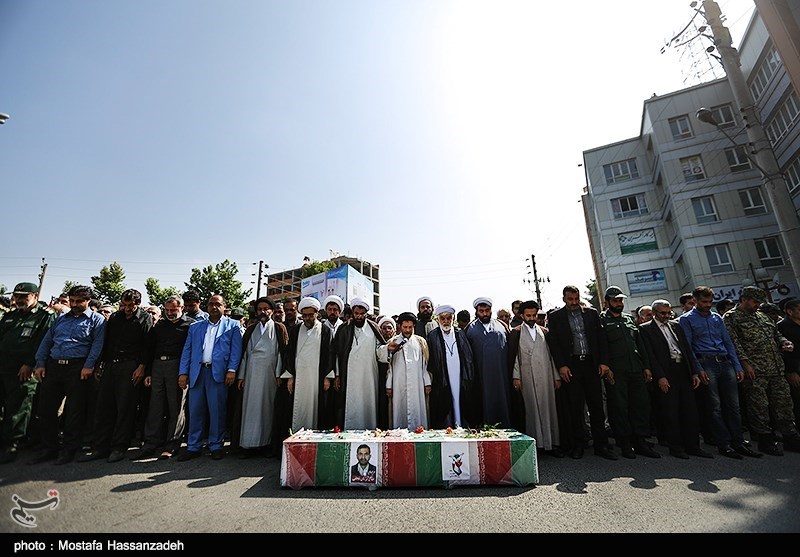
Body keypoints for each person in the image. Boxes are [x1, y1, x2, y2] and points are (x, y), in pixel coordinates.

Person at [679, 286, 760, 459]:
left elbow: (728, 342)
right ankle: (724, 444)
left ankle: (738, 442)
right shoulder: (686, 320)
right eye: (704, 302)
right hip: (706, 362)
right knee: (715, 407)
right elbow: (688, 347)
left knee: (734, 406)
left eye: (710, 301)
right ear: (695, 301)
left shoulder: (717, 317)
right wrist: (698, 369)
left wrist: (737, 366)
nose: (708, 305)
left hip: (725, 362)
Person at [30, 285, 106, 465]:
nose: (75, 304)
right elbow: (47, 341)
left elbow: (97, 345)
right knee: (46, 409)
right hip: (54, 366)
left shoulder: (97, 320)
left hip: (78, 368)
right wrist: (40, 363)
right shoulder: (61, 318)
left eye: (79, 301)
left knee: (74, 412)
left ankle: (70, 449)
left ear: (88, 300)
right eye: (72, 301)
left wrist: (88, 366)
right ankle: (49, 448)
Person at [79, 289, 153, 463]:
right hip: (111, 364)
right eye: (124, 305)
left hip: (130, 366)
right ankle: (100, 447)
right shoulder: (115, 317)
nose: (127, 309)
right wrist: (99, 365)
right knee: (104, 407)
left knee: (125, 408)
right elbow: (106, 343)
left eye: (130, 305)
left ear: (138, 304)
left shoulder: (145, 318)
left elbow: (148, 346)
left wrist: (142, 367)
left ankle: (119, 447)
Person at [723, 287, 800, 455]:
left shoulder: (762, 315)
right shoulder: (731, 317)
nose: (757, 305)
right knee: (759, 406)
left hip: (775, 367)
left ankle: (790, 437)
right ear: (744, 299)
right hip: (755, 370)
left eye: (759, 302)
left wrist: (784, 342)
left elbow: (776, 334)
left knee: (784, 403)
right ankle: (765, 440)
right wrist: (745, 364)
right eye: (754, 301)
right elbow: (734, 343)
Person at [545, 285, 617, 460]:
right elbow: (554, 344)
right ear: (564, 299)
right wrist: (562, 365)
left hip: (592, 365)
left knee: (597, 406)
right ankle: (578, 445)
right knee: (575, 408)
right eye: (570, 299)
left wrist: (604, 362)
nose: (574, 302)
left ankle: (601, 445)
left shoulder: (591, 314)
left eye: (576, 299)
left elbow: (601, 339)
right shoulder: (555, 317)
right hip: (572, 366)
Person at [639, 300, 713, 459]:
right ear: (654, 313)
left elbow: (686, 349)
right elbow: (650, 355)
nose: (666, 316)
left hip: (683, 370)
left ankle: (693, 446)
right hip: (666, 372)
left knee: (690, 410)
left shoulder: (676, 326)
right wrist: (660, 376)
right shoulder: (645, 329)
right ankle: (676, 447)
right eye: (663, 313)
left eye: (669, 313)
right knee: (671, 411)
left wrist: (694, 372)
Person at [177, 294, 242, 461]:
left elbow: (236, 351)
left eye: (218, 304)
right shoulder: (195, 327)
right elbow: (187, 351)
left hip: (218, 373)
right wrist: (183, 372)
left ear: (224, 306)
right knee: (195, 411)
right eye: (211, 304)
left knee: (217, 411)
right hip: (198, 373)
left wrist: (232, 370)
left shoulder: (233, 325)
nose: (214, 307)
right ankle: (193, 446)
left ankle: (216, 445)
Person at [600, 286, 659, 459]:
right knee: (619, 408)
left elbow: (639, 344)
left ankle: (640, 441)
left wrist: (646, 366)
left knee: (640, 405)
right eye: (615, 300)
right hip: (616, 372)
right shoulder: (602, 320)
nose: (619, 303)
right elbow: (601, 346)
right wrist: (606, 367)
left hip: (636, 369)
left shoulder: (629, 319)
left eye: (620, 300)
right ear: (607, 302)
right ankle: (624, 443)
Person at [0, 283, 56, 463]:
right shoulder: (11, 315)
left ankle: (13, 442)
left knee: (18, 406)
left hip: (23, 369)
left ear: (35, 296)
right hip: (3, 365)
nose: (20, 300)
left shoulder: (45, 316)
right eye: (17, 296)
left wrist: (30, 363)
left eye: (24, 296)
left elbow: (43, 342)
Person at [134, 295, 194, 460]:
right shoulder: (159, 325)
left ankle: (172, 445)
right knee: (155, 407)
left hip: (178, 367)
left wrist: (185, 373)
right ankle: (150, 444)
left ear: (182, 308)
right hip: (157, 366)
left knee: (176, 407)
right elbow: (150, 348)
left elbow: (191, 351)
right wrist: (148, 372)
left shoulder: (191, 326)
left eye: (173, 310)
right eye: (167, 310)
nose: (169, 313)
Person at [507, 300, 561, 454]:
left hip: (545, 376)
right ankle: (536, 445)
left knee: (548, 409)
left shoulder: (544, 332)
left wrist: (556, 376)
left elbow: (551, 356)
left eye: (534, 315)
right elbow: (514, 357)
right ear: (522, 316)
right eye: (528, 315)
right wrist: (516, 377)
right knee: (531, 411)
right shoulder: (516, 333)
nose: (531, 318)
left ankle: (551, 443)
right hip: (527, 377)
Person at [237, 297, 288, 457]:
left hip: (269, 375)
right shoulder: (251, 329)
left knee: (267, 409)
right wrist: (242, 375)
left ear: (272, 311)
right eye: (260, 309)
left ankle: (266, 445)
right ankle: (248, 445)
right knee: (250, 409)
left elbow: (281, 353)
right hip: (251, 375)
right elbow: (245, 354)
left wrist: (279, 374)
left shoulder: (279, 328)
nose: (263, 312)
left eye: (266, 308)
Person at [332, 296, 386, 430]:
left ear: (366, 313)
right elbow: (337, 354)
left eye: (362, 314)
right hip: (349, 376)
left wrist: (387, 349)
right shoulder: (344, 329)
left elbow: (379, 350)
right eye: (356, 313)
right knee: (351, 404)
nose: (359, 316)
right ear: (353, 312)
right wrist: (337, 375)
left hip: (369, 376)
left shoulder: (373, 327)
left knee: (369, 404)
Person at [285, 297, 334, 432]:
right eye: (304, 315)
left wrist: (327, 377)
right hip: (299, 376)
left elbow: (330, 354)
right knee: (298, 407)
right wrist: (290, 376)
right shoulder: (295, 330)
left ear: (317, 314)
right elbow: (290, 354)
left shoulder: (325, 330)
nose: (307, 318)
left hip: (317, 377)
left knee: (317, 408)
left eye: (310, 315)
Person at [465, 297, 513, 428]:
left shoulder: (502, 326)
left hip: (501, 376)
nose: (485, 314)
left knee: (503, 403)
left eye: (487, 310)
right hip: (481, 377)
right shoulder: (470, 329)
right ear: (476, 312)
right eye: (481, 311)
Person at [426, 305, 475, 428]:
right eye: (442, 318)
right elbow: (430, 360)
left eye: (449, 318)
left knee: (460, 400)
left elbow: (468, 357)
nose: (446, 321)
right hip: (442, 378)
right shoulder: (433, 335)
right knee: (445, 403)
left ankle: (461, 426)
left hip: (460, 376)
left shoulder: (460, 333)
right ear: (438, 319)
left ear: (453, 319)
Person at [379, 312, 430, 429]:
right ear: (400, 326)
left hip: (417, 384)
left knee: (417, 411)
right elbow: (389, 367)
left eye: (410, 327)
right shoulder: (393, 341)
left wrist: (427, 382)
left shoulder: (420, 342)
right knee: (399, 411)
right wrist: (389, 385)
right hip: (398, 384)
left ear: (414, 326)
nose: (407, 330)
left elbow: (424, 364)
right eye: (405, 327)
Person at [778, 298, 800, 428]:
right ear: (790, 312)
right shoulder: (782, 327)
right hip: (795, 367)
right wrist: (791, 371)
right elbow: (784, 353)